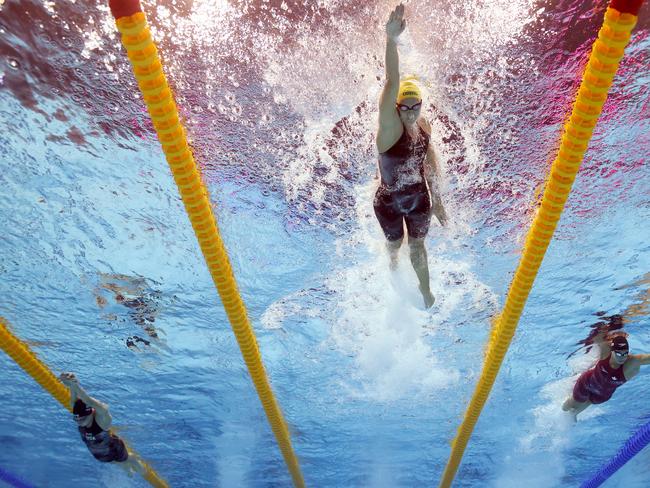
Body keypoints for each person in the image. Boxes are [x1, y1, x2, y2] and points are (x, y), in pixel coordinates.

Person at [374, 3, 447, 308]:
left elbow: (429, 160)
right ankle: (391, 271)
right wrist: (391, 40)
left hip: (419, 198)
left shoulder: (423, 123)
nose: (409, 112)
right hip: (388, 201)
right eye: (404, 106)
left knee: (418, 246)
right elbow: (392, 82)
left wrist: (439, 201)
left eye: (415, 106)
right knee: (395, 244)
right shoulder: (389, 127)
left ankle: (426, 291)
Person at [59, 372, 146, 475]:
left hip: (115, 450)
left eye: (82, 419)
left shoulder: (102, 421)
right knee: (119, 463)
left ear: (91, 413)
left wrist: (76, 385)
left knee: (130, 459)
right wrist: (71, 384)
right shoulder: (79, 413)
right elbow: (74, 399)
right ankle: (128, 471)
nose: (79, 422)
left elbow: (89, 402)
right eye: (77, 419)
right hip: (101, 455)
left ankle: (143, 473)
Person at [562, 334, 650, 418]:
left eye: (625, 353)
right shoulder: (605, 352)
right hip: (586, 384)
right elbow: (598, 336)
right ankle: (562, 407)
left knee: (575, 411)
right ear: (612, 351)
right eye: (618, 354)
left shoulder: (631, 363)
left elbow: (646, 359)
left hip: (601, 395)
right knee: (568, 407)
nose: (622, 357)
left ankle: (572, 414)